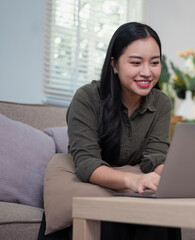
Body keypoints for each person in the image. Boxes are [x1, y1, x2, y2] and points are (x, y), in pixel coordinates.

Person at [38, 22, 181, 240]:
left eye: (154, 63)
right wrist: (133, 181)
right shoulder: (87, 98)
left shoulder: (161, 103)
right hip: (93, 194)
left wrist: (180, 177)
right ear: (114, 64)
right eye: (136, 62)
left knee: (163, 213)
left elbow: (155, 158)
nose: (146, 72)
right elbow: (87, 163)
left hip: (136, 196)